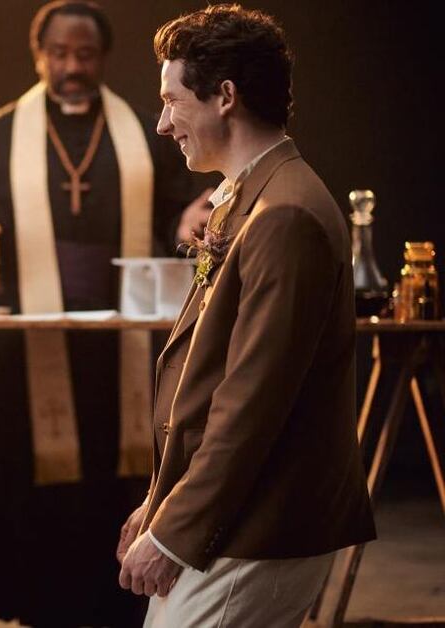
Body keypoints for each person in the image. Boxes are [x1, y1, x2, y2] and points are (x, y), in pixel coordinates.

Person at [0, 2, 210, 626]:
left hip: (124, 334)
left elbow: (179, 210)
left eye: (84, 55)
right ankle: (36, 605)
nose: (72, 67)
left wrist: (188, 222)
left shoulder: (142, 126)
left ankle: (115, 602)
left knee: (119, 473)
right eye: (59, 54)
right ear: (40, 55)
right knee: (33, 483)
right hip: (29, 333)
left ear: (102, 58)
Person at [116, 5, 377, 627]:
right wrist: (160, 498)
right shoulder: (255, 196)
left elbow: (251, 402)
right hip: (232, 517)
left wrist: (176, 530)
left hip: (257, 525)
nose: (161, 123)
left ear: (224, 96)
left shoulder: (285, 214)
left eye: (171, 100)